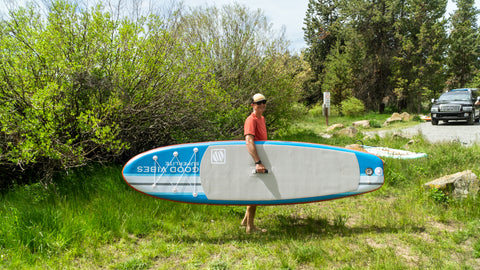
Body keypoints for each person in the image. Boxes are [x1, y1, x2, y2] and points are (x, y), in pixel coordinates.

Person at [241, 93, 268, 234]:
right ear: (252, 105)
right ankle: (250, 227)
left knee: (256, 190)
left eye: (264, 102)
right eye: (259, 103)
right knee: (254, 192)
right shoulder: (250, 120)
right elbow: (249, 141)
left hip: (260, 158)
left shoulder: (261, 119)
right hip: (254, 160)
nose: (262, 105)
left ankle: (245, 221)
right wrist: (257, 162)